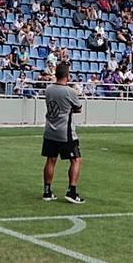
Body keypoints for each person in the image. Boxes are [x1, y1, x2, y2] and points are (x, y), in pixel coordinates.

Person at [41, 62, 84, 204]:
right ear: (67, 75)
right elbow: (78, 108)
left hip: (50, 130)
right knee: (76, 159)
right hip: (65, 132)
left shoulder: (49, 89)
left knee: (50, 160)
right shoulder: (69, 92)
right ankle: (72, 191)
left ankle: (47, 191)